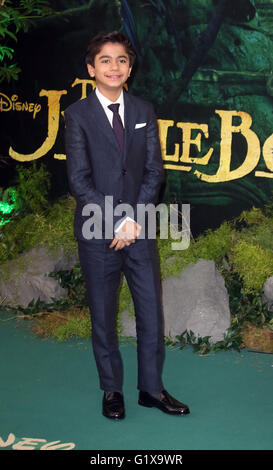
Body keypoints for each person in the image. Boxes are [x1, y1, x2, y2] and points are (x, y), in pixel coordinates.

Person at [64, 30, 190, 420]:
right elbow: (79, 180)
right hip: (97, 230)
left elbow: (154, 171)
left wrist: (133, 220)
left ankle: (151, 389)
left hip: (139, 228)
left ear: (129, 68)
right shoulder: (77, 116)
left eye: (121, 60)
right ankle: (111, 390)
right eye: (105, 60)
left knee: (151, 311)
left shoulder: (143, 111)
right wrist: (114, 221)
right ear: (91, 69)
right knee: (103, 315)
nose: (114, 67)